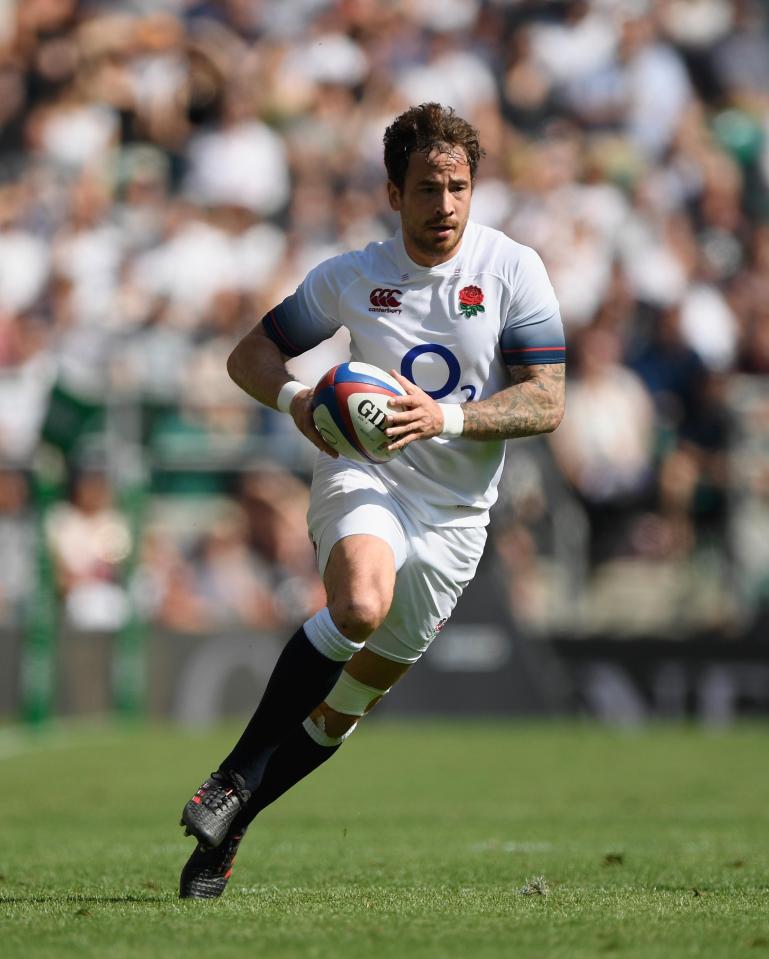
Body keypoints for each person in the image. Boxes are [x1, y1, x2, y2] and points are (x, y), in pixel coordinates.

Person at [178, 102, 566, 899]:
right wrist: (294, 400)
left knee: (344, 708)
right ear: (393, 193)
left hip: (458, 517)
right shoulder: (352, 276)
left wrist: (448, 416)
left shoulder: (511, 269)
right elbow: (249, 353)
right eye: (427, 188)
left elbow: (546, 400)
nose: (445, 206)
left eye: (458, 187)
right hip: (369, 477)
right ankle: (230, 774)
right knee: (357, 603)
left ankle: (235, 822)